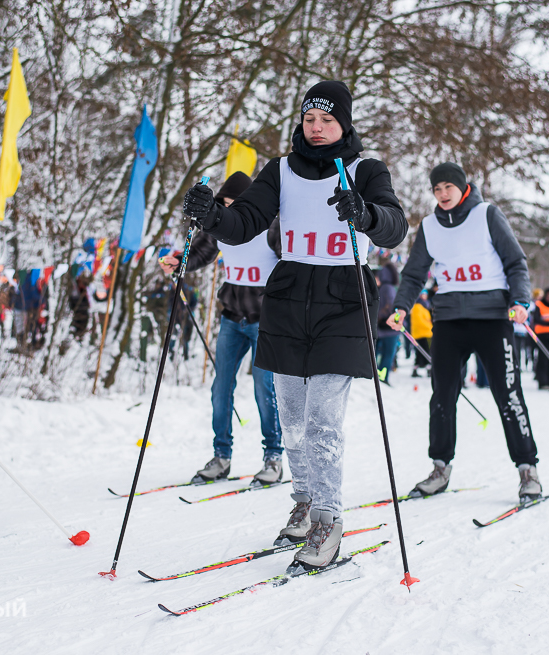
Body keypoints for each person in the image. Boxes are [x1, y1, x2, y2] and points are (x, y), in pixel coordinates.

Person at [181, 81, 407, 570]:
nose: (317, 128)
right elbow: (244, 222)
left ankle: (328, 519)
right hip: (287, 298)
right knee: (293, 419)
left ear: (344, 123)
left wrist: (365, 213)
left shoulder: (366, 169)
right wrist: (210, 217)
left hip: (343, 298)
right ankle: (303, 504)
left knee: (323, 418)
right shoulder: (280, 170)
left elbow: (395, 224)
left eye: (327, 120)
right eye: (309, 119)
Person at [388, 161, 541, 502]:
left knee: (508, 395)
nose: (443, 194)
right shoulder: (430, 226)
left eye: (448, 187)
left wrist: (520, 300)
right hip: (449, 321)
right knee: (442, 396)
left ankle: (527, 469)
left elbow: (515, 263)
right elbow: (414, 273)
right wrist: (401, 307)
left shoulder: (487, 215)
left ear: (463, 187)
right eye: (437, 189)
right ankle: (440, 468)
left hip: (492, 319)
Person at [158, 171, 284, 486]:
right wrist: (178, 262)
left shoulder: (271, 227)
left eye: (234, 204)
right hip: (232, 318)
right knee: (220, 388)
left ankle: (273, 457)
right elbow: (199, 253)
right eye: (223, 203)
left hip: (265, 321)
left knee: (264, 389)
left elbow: (293, 262)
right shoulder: (219, 227)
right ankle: (221, 456)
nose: (228, 210)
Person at [375, 270, 400, 385]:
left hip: (385, 327)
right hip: (388, 328)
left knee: (383, 354)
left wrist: (379, 316)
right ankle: (382, 377)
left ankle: (380, 377)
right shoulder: (388, 288)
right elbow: (390, 305)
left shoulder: (384, 288)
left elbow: (387, 305)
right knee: (387, 355)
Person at [532, 287, 549, 389]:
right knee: (543, 359)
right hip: (542, 335)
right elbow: (536, 318)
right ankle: (542, 381)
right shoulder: (539, 304)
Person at [410, 290, 433, 377]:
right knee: (425, 352)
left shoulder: (424, 305)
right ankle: (427, 369)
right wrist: (430, 326)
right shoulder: (418, 306)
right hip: (422, 333)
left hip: (423, 333)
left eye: (425, 294)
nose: (425, 296)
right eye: (423, 294)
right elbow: (419, 321)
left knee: (421, 353)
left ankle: (420, 368)